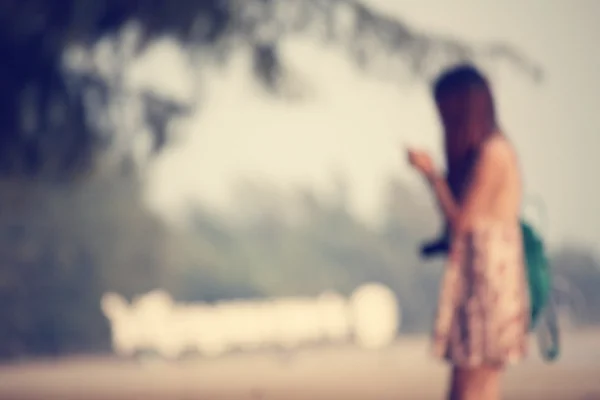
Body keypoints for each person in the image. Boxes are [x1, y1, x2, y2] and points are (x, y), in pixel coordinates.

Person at [407, 64, 530, 400]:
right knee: (472, 385)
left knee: (472, 386)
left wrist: (432, 174)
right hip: (480, 281)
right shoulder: (486, 152)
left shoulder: (494, 153)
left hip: (488, 285)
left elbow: (462, 221)